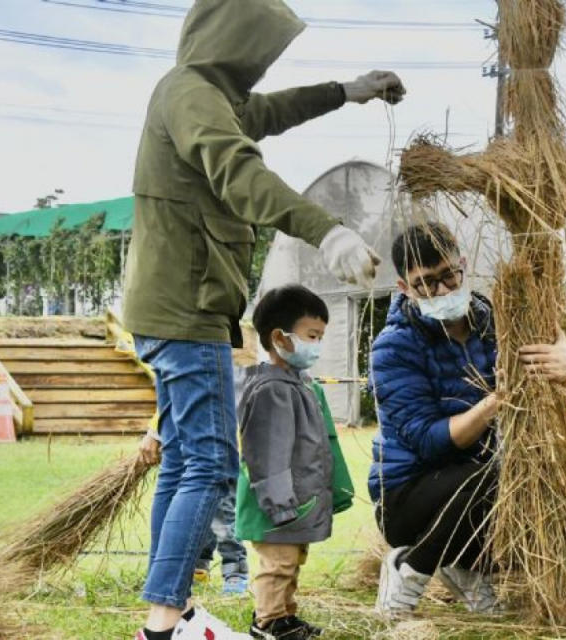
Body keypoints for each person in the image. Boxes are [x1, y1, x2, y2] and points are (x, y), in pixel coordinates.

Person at [124, 0, 404, 637]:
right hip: (185, 310)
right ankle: (165, 621)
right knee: (211, 464)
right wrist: (323, 230)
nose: (261, 65)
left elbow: (272, 112)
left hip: (175, 307)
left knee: (182, 463)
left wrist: (346, 92)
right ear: (232, 40)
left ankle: (169, 606)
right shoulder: (191, 95)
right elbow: (238, 169)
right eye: (258, 49)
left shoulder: (206, 94)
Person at [369, 223, 566, 616]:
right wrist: (495, 401)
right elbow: (429, 442)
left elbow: (560, 390)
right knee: (497, 476)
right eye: (426, 283)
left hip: (478, 486)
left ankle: (463, 566)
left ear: (464, 265)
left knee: (557, 492)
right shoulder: (394, 347)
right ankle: (410, 567)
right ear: (404, 288)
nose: (444, 290)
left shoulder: (498, 324)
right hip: (409, 498)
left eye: (450, 275)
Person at [235, 285, 354, 640]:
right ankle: (268, 622)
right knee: (278, 564)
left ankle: (286, 617)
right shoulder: (273, 390)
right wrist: (280, 505)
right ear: (280, 338)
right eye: (312, 336)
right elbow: (267, 455)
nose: (317, 345)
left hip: (296, 503)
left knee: (292, 561)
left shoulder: (297, 384)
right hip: (277, 505)